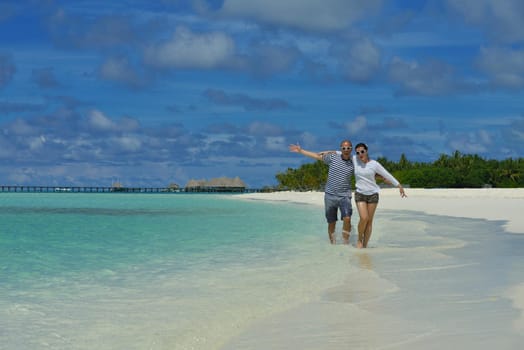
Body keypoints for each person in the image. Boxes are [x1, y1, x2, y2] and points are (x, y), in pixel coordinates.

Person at [289, 140, 354, 244]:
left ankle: (345, 243)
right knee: (331, 222)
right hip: (330, 196)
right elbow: (317, 156)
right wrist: (301, 151)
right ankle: (333, 244)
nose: (346, 150)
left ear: (351, 149)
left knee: (347, 218)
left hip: (344, 196)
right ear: (341, 149)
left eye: (348, 148)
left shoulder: (354, 161)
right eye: (343, 148)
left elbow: (366, 169)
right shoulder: (333, 157)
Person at [352, 143, 406, 248]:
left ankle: (365, 245)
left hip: (373, 194)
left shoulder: (374, 164)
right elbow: (341, 153)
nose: (360, 154)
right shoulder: (354, 160)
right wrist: (327, 153)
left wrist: (398, 185)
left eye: (362, 151)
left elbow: (386, 174)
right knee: (364, 218)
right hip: (360, 193)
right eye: (358, 152)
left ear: (366, 151)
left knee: (369, 221)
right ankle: (359, 239)